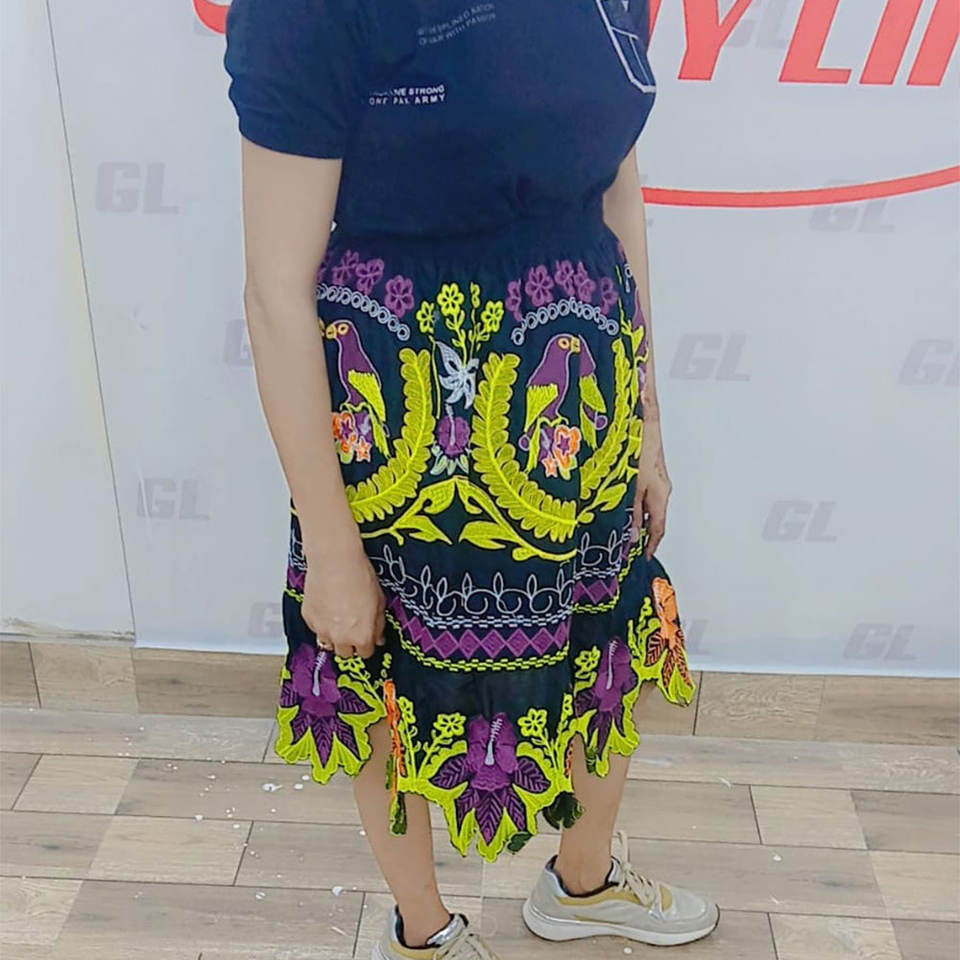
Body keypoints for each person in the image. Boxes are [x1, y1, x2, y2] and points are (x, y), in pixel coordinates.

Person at [223, 1, 719, 957]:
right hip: (403, 415)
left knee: (602, 650)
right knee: (379, 673)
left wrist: (650, 420)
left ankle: (582, 884)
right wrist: (331, 550)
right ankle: (424, 932)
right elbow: (275, 291)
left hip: (575, 405)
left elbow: (616, 191)